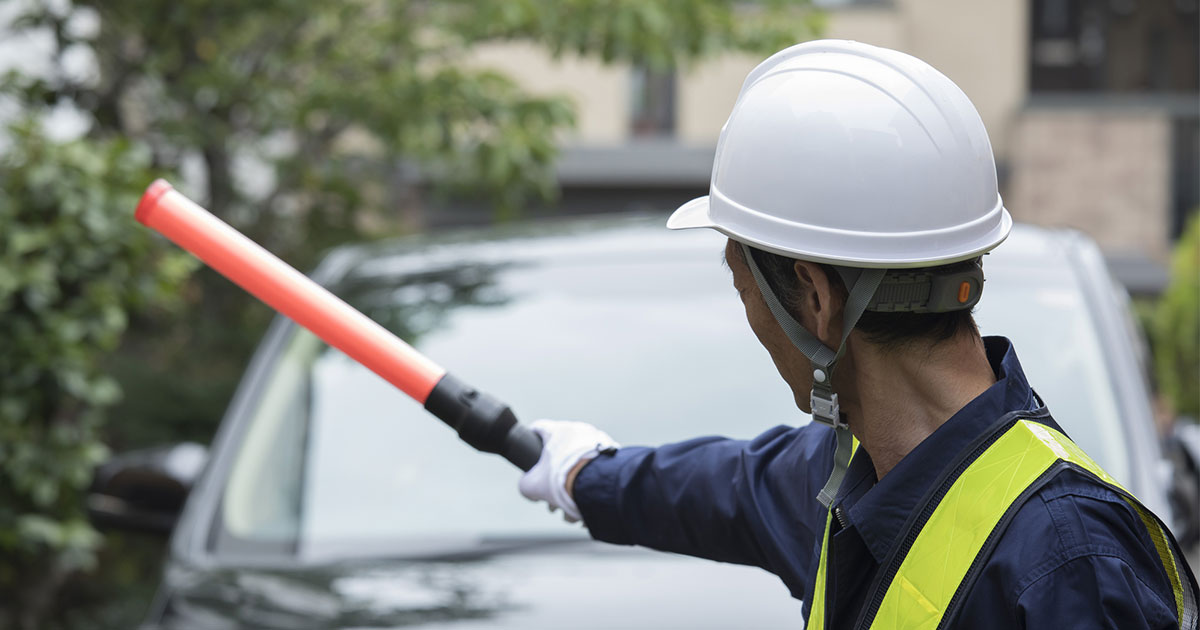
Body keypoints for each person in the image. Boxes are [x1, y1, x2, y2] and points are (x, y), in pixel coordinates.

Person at [517, 40, 1198, 629]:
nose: (750, 315)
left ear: (815, 299)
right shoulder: (850, 471)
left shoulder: (1069, 560)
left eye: (742, 286)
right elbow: (716, 489)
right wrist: (583, 473)